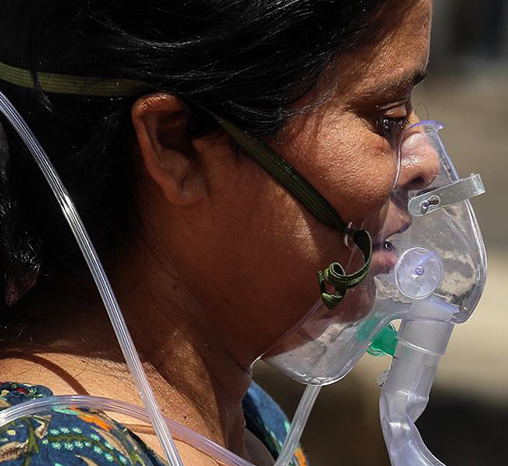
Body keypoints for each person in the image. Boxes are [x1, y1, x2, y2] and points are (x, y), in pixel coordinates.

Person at [0, 1, 437, 465]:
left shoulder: (252, 420)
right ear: (177, 144)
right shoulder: (41, 451)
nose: (426, 163)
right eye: (387, 118)